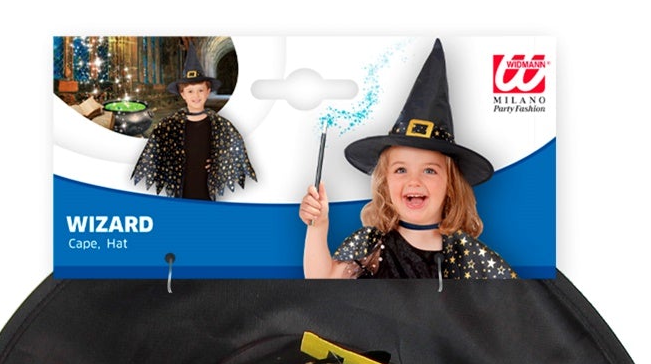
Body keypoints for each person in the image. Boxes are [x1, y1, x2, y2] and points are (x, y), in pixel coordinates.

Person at [299, 39, 515, 281]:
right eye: (401, 170)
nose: (414, 181)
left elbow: (514, 298)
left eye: (429, 171)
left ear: (451, 185)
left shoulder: (467, 255)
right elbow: (324, 280)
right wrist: (318, 226)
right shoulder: (371, 245)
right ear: (385, 183)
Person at [130, 43, 255, 202]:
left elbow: (235, 149)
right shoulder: (169, 125)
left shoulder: (219, 124)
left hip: (206, 190)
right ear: (183, 94)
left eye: (200, 90)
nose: (196, 96)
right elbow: (154, 153)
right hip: (180, 190)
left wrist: (219, 161)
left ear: (208, 91)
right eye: (190, 91)